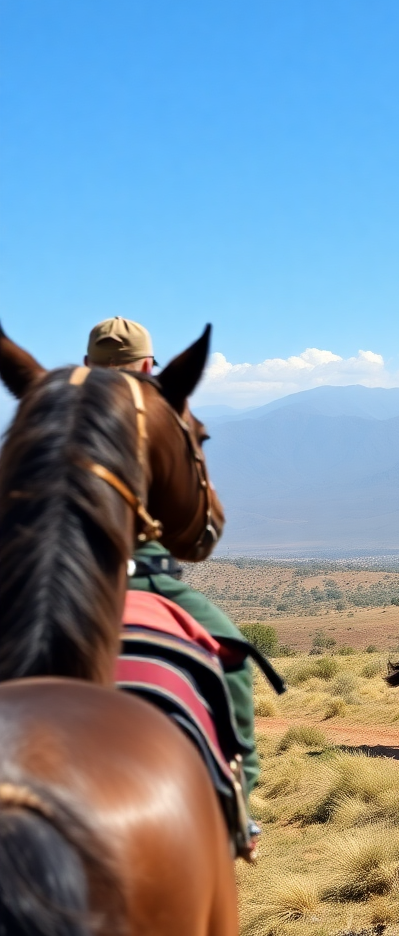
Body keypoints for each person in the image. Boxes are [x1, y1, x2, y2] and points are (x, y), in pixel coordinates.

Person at [84, 316, 262, 795]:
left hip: (36, 576)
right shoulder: (156, 410)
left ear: (86, 364)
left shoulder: (56, 406)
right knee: (229, 652)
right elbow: (190, 516)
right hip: (131, 572)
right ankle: (239, 799)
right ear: (146, 365)